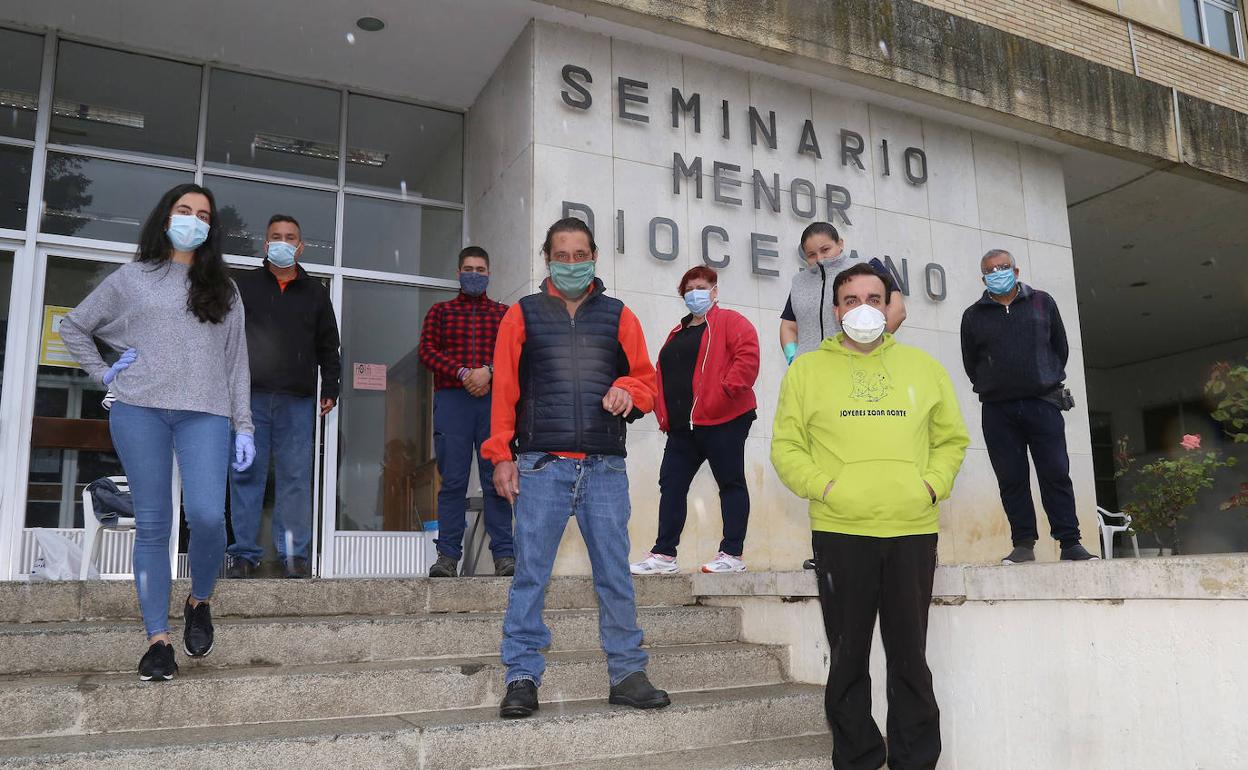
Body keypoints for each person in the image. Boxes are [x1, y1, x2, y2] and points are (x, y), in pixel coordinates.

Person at [771, 263, 968, 770]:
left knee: (910, 659)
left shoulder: (924, 368)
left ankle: (916, 760)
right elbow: (787, 447)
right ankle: (858, 758)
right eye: (851, 299)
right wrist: (827, 488)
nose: (863, 308)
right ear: (836, 311)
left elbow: (951, 440)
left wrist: (930, 486)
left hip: (911, 530)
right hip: (841, 531)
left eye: (874, 298)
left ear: (889, 306)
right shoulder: (807, 371)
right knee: (849, 658)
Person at [59, 183, 255, 682]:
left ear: (211, 228)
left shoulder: (225, 288)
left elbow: (236, 364)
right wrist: (103, 373)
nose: (193, 219)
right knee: (153, 524)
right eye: (184, 210)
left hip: (204, 411)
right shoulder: (132, 277)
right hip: (139, 409)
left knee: (209, 517)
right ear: (165, 217)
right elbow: (75, 326)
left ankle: (199, 599)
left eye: (203, 214)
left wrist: (244, 424)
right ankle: (157, 640)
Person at [485, 217, 670, 719]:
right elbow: (504, 390)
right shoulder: (521, 315)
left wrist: (627, 391)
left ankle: (628, 675)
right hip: (541, 466)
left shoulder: (619, 316)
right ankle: (522, 678)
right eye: (561, 255)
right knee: (530, 577)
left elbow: (648, 385)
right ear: (547, 257)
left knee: (615, 575)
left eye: (580, 254)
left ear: (594, 257)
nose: (571, 263)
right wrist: (501, 454)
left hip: (604, 469)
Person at [781, 222, 907, 570]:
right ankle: (826, 549)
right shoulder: (799, 282)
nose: (818, 258)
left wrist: (868, 346)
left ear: (841, 244)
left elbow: (897, 310)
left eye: (825, 249)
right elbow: (789, 325)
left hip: (857, 373)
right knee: (821, 460)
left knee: (865, 453)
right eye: (810, 254)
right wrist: (795, 358)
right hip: (815, 378)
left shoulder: (867, 269)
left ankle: (883, 541)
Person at [960, 249, 1096, 564]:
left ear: (1017, 271)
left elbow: (1059, 348)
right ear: (983, 278)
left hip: (1043, 402)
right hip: (997, 409)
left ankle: (1070, 542)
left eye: (1003, 267)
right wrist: (997, 382)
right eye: (990, 270)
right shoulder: (973, 315)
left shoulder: (1042, 302)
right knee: (1011, 476)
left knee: (1055, 472)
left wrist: (1041, 377)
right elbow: (971, 362)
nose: (998, 272)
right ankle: (1023, 542)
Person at [227, 215, 341, 580]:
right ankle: (243, 555)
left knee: (294, 478)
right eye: (275, 236)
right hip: (250, 398)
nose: (282, 242)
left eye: (290, 237)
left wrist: (332, 387)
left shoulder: (316, 293)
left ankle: (294, 555)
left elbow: (329, 346)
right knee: (246, 474)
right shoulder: (243, 286)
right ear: (265, 244)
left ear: (300, 246)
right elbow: (226, 340)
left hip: (298, 399)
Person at [631, 266, 760, 575]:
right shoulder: (677, 332)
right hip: (682, 427)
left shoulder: (731, 322)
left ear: (714, 290)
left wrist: (725, 391)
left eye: (700, 287)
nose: (694, 293)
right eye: (688, 290)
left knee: (730, 483)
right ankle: (664, 555)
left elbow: (748, 356)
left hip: (724, 419)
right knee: (671, 484)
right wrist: (662, 411)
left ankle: (732, 554)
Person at [417, 246, 514, 577]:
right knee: (453, 482)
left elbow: (515, 354)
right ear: (458, 273)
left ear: (489, 274)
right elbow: (427, 351)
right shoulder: (440, 312)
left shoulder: (504, 314)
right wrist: (462, 372)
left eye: (481, 269)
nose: (475, 274)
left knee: (496, 479)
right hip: (452, 402)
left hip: (492, 404)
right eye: (469, 268)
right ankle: (447, 557)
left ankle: (504, 555)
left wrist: (488, 370)